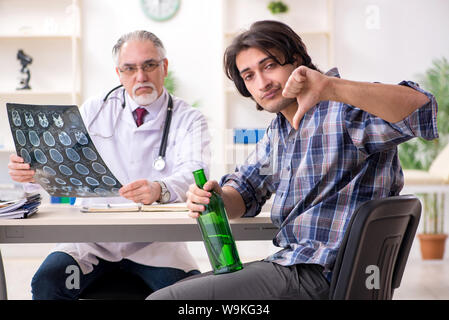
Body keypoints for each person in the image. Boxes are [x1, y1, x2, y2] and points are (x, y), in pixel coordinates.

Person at [147, 20, 438, 300]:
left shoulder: (343, 111)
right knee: (177, 289)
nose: (262, 82)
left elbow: (423, 111)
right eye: (249, 76)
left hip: (320, 275)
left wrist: (331, 87)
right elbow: (246, 191)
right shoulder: (278, 133)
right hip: (291, 266)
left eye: (269, 66)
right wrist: (217, 196)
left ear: (297, 60)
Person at [7, 30, 211, 299]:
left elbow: (196, 174)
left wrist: (159, 189)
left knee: (193, 296)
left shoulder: (190, 119)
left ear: (164, 66)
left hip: (157, 243)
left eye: (149, 65)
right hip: (92, 240)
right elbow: (53, 161)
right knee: (47, 282)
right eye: (130, 68)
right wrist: (30, 172)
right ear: (119, 73)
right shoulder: (95, 110)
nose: (141, 76)